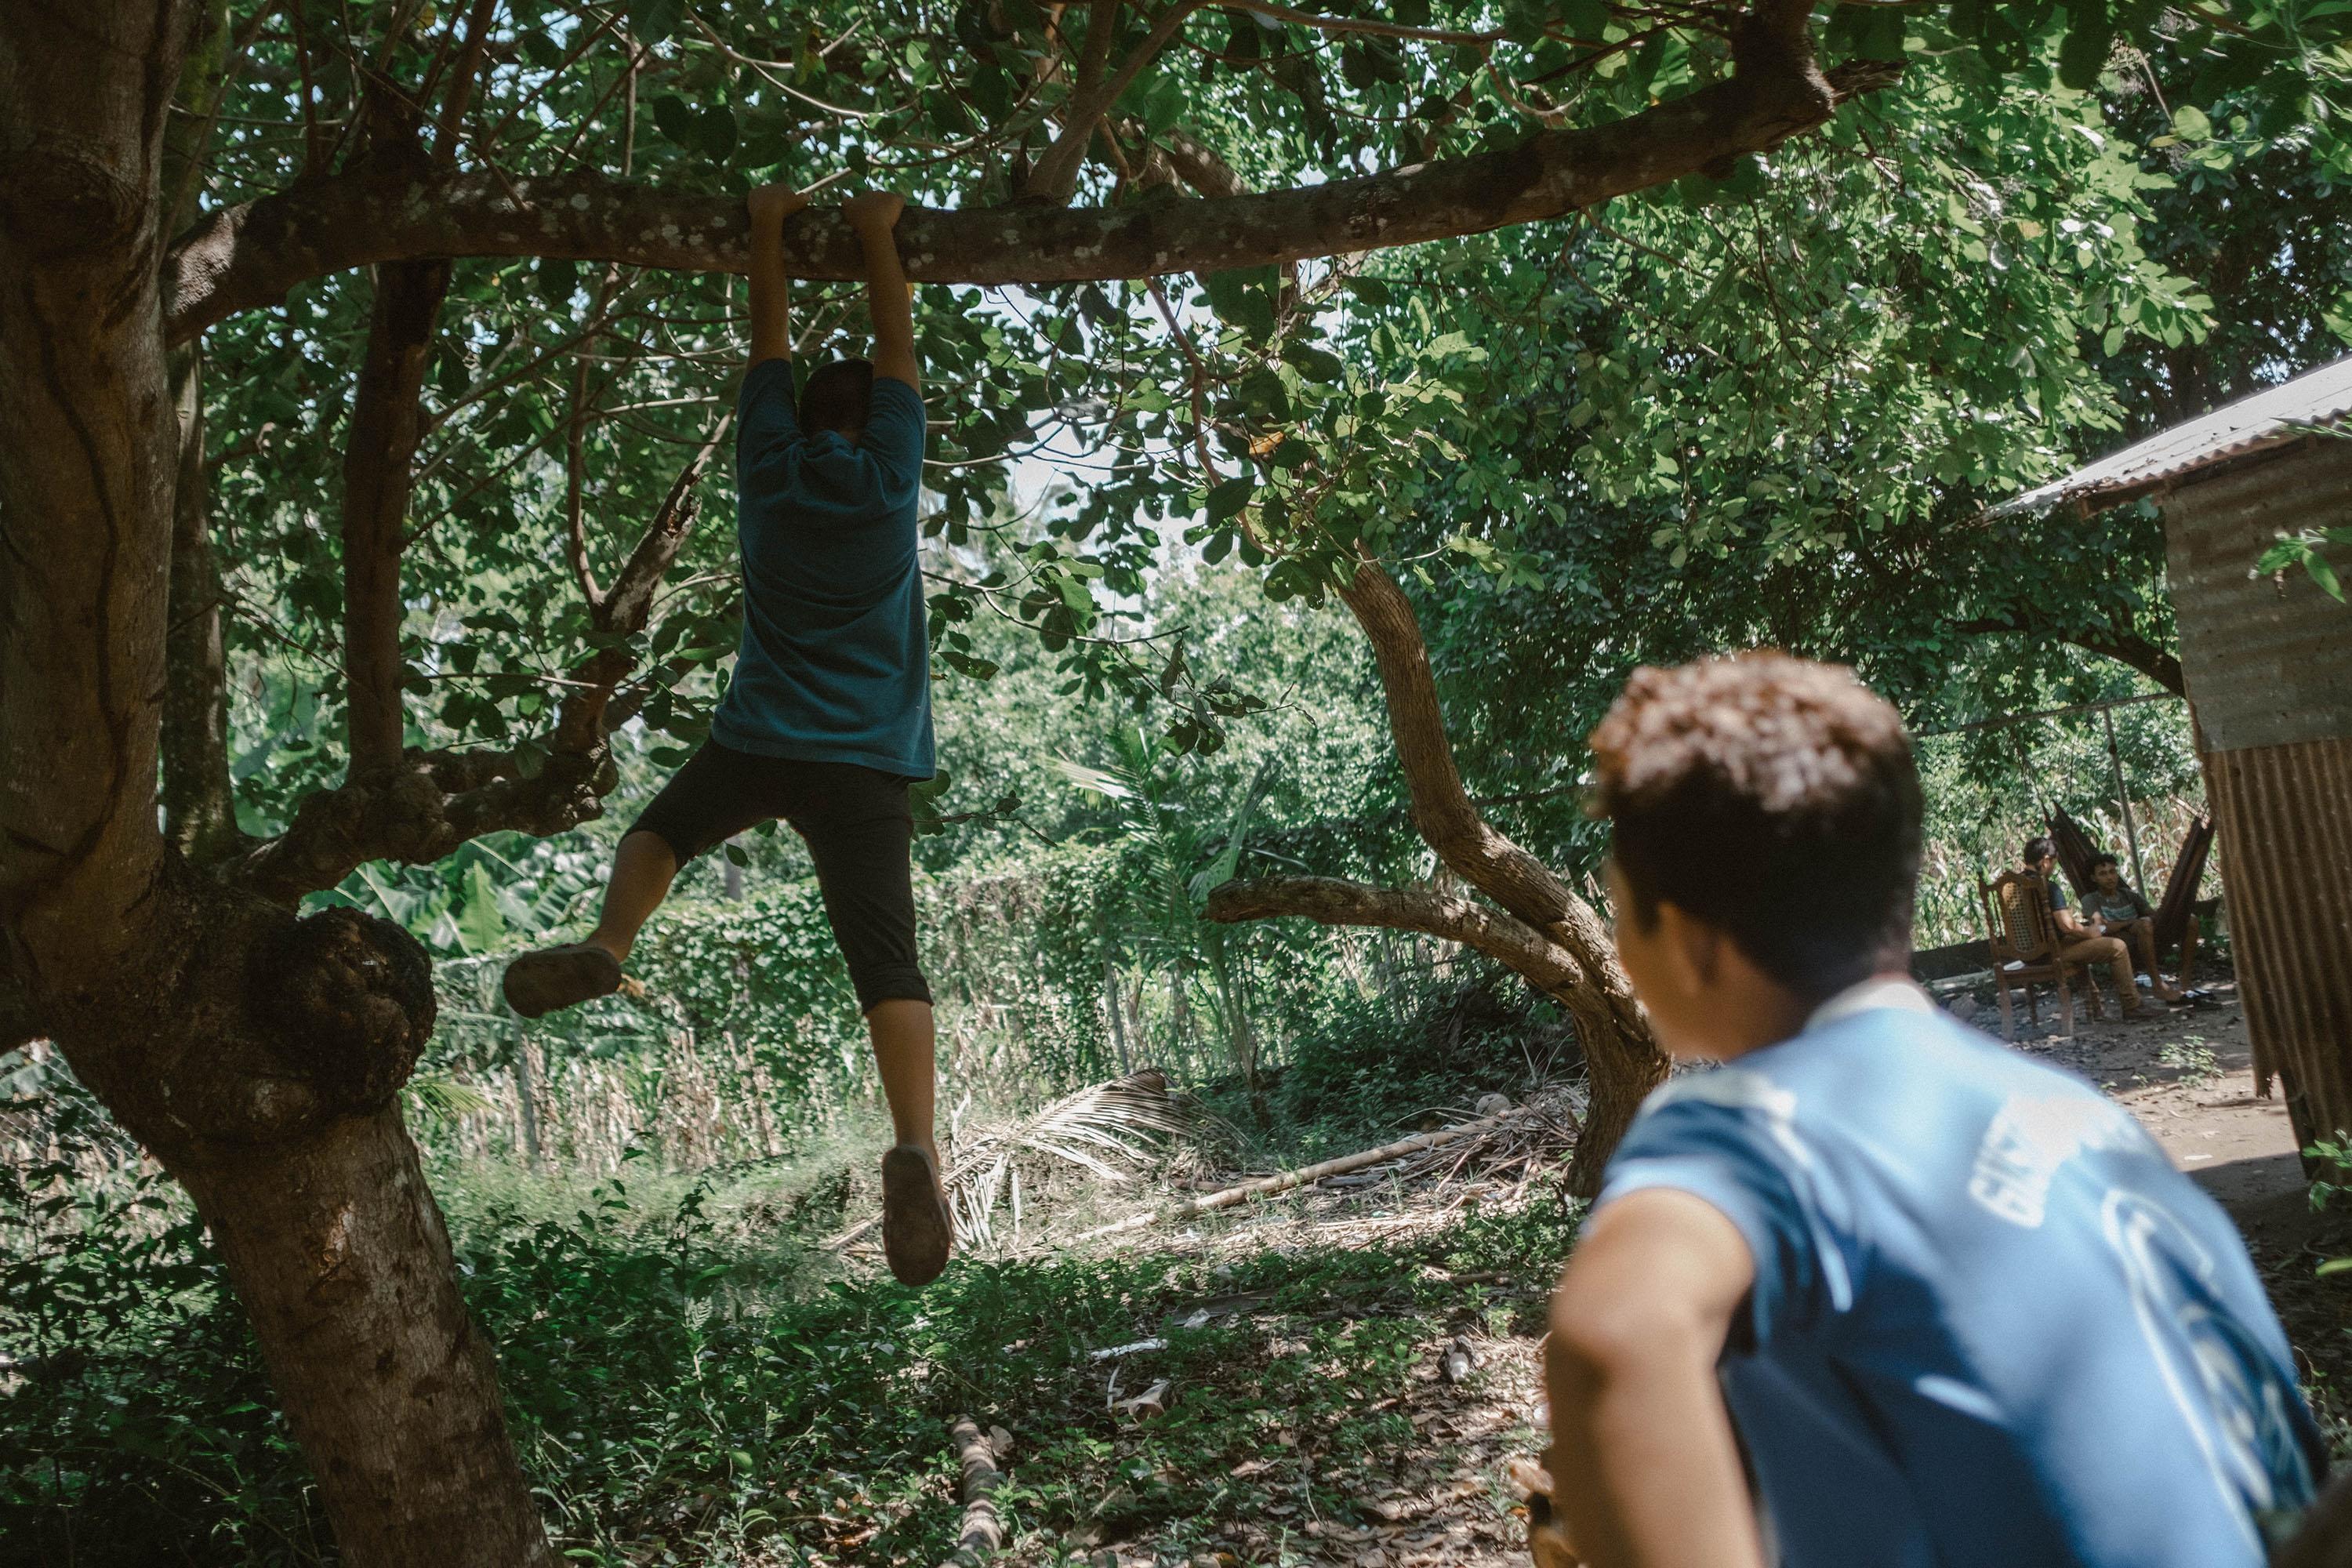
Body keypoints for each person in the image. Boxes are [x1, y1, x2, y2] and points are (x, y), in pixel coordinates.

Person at [1523, 653, 2321, 1568]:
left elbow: (1615, 1336)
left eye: (1622, 912)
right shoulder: (2084, 1119)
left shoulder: (1763, 1119)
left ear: (1693, 940)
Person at [501, 183, 954, 1287]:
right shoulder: (893, 483)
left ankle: (610, 946)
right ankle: (915, 1146)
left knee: (658, 835)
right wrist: (881, 236)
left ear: (800, 423)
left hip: (759, 740)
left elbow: (768, 342)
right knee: (886, 960)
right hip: (865, 765)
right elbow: (899, 348)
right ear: (879, 423)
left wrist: (761, 230)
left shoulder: (766, 473)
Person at [2024, 834, 2147, 1021]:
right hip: (2052, 953)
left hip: (2026, 955)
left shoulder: (2008, 887)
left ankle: (2096, 1007)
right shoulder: (2048, 887)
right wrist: (2091, 932)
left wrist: (2084, 933)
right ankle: (2132, 1006)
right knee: (2117, 947)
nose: (2053, 868)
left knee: (2080, 940)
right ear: (2047, 861)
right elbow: (2066, 926)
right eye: (2055, 863)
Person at [2084, 850, 2187, 1004]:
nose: (2110, 877)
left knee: (2189, 920)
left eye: (2112, 872)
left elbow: (2153, 916)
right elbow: (2100, 929)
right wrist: (2130, 923)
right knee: (2143, 924)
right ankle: (2157, 984)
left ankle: (2186, 982)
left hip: (2143, 937)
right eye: (2103, 874)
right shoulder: (2091, 900)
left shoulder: (2128, 895)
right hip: (2117, 941)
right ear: (2094, 878)